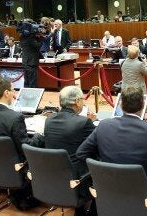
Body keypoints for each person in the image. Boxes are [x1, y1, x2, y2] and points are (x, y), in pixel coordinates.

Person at [76, 86, 147, 216]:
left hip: (110, 192)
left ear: (121, 104)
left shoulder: (103, 126)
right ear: (143, 104)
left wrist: (101, 168)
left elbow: (81, 153)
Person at [0, 77, 44, 210]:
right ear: (6, 93)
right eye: (13, 90)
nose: (14, 94)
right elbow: (26, 148)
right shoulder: (15, 117)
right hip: (16, 169)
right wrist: (40, 134)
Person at [43, 86, 95, 214]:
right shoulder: (83, 122)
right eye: (82, 99)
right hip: (79, 180)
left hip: (54, 177)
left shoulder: (49, 120)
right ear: (77, 101)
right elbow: (97, 144)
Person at [18, 20, 44, 88]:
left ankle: (25, 96)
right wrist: (41, 37)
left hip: (25, 61)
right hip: (31, 62)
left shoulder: (22, 37)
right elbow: (37, 46)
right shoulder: (31, 37)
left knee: (27, 81)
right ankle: (32, 96)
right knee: (32, 82)